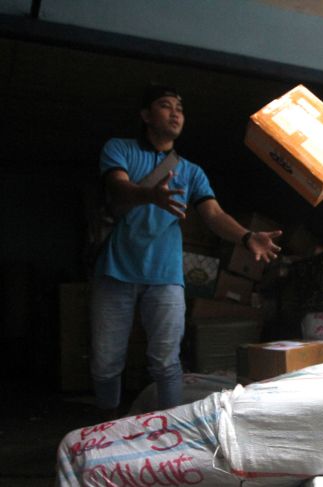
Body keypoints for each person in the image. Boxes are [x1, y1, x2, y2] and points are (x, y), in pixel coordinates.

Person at [90, 84, 282, 418]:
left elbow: (214, 214)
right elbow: (117, 185)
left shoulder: (191, 171)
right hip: (115, 271)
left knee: (166, 363)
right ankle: (107, 426)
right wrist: (147, 195)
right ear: (146, 115)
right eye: (165, 106)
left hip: (165, 276)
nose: (175, 113)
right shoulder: (118, 149)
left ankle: (171, 430)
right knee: (106, 362)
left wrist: (246, 236)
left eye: (179, 108)